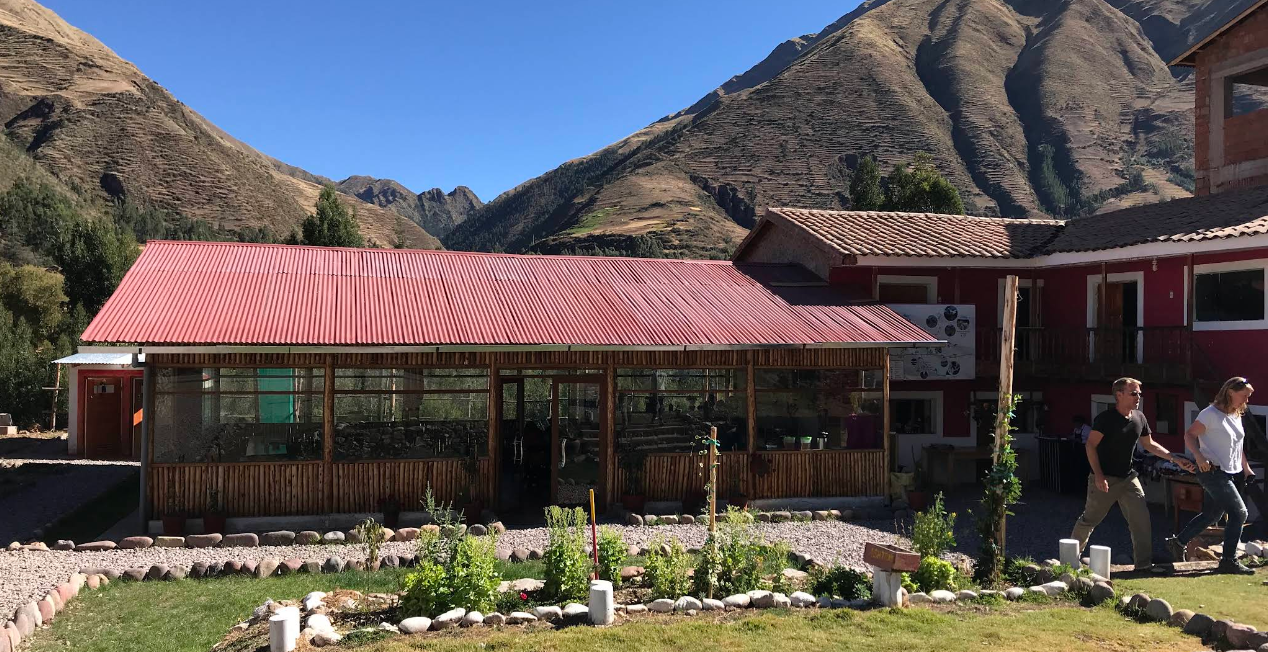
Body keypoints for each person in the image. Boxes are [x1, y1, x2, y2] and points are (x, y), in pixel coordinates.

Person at [1070, 378, 1195, 570]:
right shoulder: (1105, 419)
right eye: (1134, 393)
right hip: (1105, 478)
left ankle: (1143, 566)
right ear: (1119, 395)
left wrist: (1175, 459)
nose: (1138, 397)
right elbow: (1090, 445)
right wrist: (1099, 476)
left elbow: (1149, 444)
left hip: (1128, 478)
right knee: (1090, 519)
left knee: (1141, 522)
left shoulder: (1139, 418)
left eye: (1139, 393)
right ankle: (1070, 560)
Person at [1165, 377, 1257, 574]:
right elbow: (1189, 435)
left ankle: (1178, 542)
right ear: (1231, 392)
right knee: (1240, 513)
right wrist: (1198, 457)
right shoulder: (1210, 414)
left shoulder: (1236, 414)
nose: (1246, 401)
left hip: (1229, 472)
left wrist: (1246, 468)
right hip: (1211, 472)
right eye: (1244, 396)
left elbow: (1237, 446)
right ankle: (1228, 560)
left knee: (1212, 514)